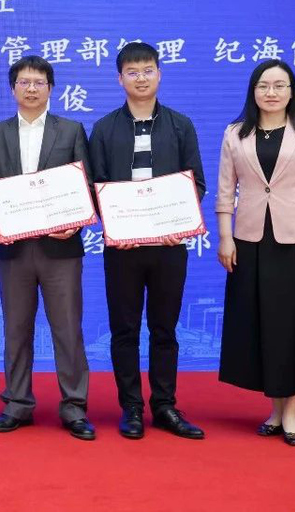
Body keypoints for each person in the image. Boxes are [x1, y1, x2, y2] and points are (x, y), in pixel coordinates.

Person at [216, 59, 295, 447]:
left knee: (293, 326)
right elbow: (225, 192)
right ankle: (274, 409)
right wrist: (225, 238)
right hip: (249, 242)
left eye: (279, 85)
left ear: (291, 91)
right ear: (253, 91)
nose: (271, 92)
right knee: (264, 326)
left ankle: (292, 414)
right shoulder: (235, 133)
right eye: (263, 85)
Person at [88, 42, 206, 440]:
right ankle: (131, 408)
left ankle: (165, 406)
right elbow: (95, 186)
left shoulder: (180, 125)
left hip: (169, 246)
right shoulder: (104, 129)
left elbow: (196, 182)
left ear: (159, 74)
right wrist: (116, 225)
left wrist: (179, 221)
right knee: (124, 330)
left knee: (164, 329)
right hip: (122, 249)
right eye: (132, 72)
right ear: (119, 78)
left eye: (148, 70)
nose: (141, 78)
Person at [0, 55, 95, 440]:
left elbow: (86, 183)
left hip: (61, 248)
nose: (31, 89)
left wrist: (76, 219)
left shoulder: (72, 130)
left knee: (68, 329)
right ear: (12, 88)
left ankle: (74, 406)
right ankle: (17, 403)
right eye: (24, 82)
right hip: (14, 249)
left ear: (50, 88)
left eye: (39, 82)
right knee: (16, 329)